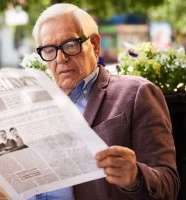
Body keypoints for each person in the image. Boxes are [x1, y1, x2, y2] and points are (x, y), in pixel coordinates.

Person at [28, 3, 179, 200]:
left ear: (95, 45)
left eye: (71, 45)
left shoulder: (135, 93)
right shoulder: (32, 105)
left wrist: (135, 176)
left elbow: (169, 186)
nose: (61, 58)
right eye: (49, 50)